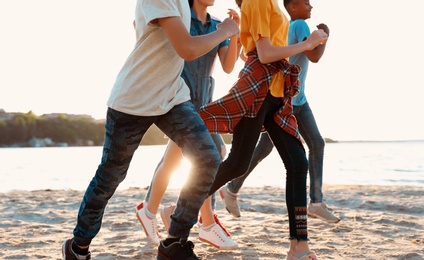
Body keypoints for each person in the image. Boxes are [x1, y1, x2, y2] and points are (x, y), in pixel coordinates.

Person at [61, 0, 239, 259]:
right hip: (134, 99)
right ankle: (78, 247)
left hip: (171, 96)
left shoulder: (184, 7)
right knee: (110, 177)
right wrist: (225, 31)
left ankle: (174, 243)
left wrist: (231, 34)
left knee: (208, 157)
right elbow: (187, 49)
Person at [198, 0, 328, 258]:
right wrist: (308, 43)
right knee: (237, 163)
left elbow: (259, 53)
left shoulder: (272, 4)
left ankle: (299, 248)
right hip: (257, 91)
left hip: (276, 94)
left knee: (298, 162)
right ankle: (180, 207)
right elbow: (265, 54)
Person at [218, 0, 340, 224]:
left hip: (288, 96)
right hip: (290, 99)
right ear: (293, 7)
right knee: (312, 146)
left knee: (261, 152)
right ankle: (315, 203)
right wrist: (324, 34)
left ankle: (232, 189)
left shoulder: (283, 26)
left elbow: (268, 55)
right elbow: (314, 55)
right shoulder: (300, 25)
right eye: (306, 2)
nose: (311, 6)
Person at [135, 0, 241, 250]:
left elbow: (227, 66)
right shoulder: (180, 20)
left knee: (178, 160)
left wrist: (234, 32)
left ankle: (150, 211)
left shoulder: (217, 25)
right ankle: (206, 222)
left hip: (204, 101)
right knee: (211, 155)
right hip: (179, 99)